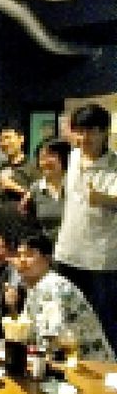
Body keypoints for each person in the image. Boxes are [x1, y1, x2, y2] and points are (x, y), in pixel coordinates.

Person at [55, 104, 117, 352]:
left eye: (91, 131)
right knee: (65, 317)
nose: (84, 137)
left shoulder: (114, 164)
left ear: (105, 132)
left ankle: (108, 370)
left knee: (105, 322)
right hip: (67, 252)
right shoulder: (71, 157)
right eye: (79, 131)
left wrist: (103, 199)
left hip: (101, 259)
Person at [14, 234, 115, 362]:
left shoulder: (52, 285)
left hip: (93, 367)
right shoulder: (35, 286)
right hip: (69, 363)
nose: (22, 260)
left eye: (29, 255)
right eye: (19, 255)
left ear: (47, 259)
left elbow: (52, 340)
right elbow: (24, 333)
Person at [20, 138, 71, 244]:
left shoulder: (76, 185)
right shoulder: (36, 189)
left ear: (64, 158)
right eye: (42, 158)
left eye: (51, 156)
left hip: (77, 247)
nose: (45, 162)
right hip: (48, 248)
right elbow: (30, 225)